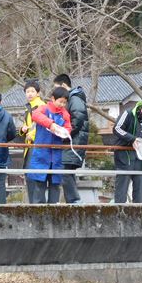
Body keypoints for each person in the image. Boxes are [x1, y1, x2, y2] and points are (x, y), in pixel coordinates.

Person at [26, 87, 72, 204]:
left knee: (55, 186)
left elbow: (68, 128)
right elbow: (35, 115)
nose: (62, 105)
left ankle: (54, 211)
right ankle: (38, 212)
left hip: (56, 157)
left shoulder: (65, 114)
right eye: (60, 101)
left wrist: (64, 132)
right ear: (53, 99)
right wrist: (50, 124)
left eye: (64, 102)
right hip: (41, 155)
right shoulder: (44, 108)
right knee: (39, 186)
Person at [113, 93, 142, 203]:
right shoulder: (128, 113)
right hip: (124, 155)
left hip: (140, 157)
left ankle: (139, 210)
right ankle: (119, 210)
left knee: (140, 189)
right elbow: (117, 128)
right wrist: (132, 139)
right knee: (122, 188)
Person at [53, 74, 89, 204]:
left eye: (57, 87)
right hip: (73, 140)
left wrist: (64, 134)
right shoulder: (73, 98)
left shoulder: (74, 98)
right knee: (67, 171)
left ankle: (74, 201)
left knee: (65, 171)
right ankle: (72, 201)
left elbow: (77, 120)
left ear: (63, 85)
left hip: (73, 141)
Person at [18, 80, 46, 203]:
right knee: (29, 175)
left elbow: (43, 125)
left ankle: (36, 204)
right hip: (30, 145)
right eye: (27, 91)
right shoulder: (28, 107)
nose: (29, 94)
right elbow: (28, 125)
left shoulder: (41, 106)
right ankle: (33, 203)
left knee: (35, 176)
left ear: (38, 93)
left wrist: (32, 135)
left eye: (32, 91)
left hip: (37, 144)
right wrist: (23, 129)